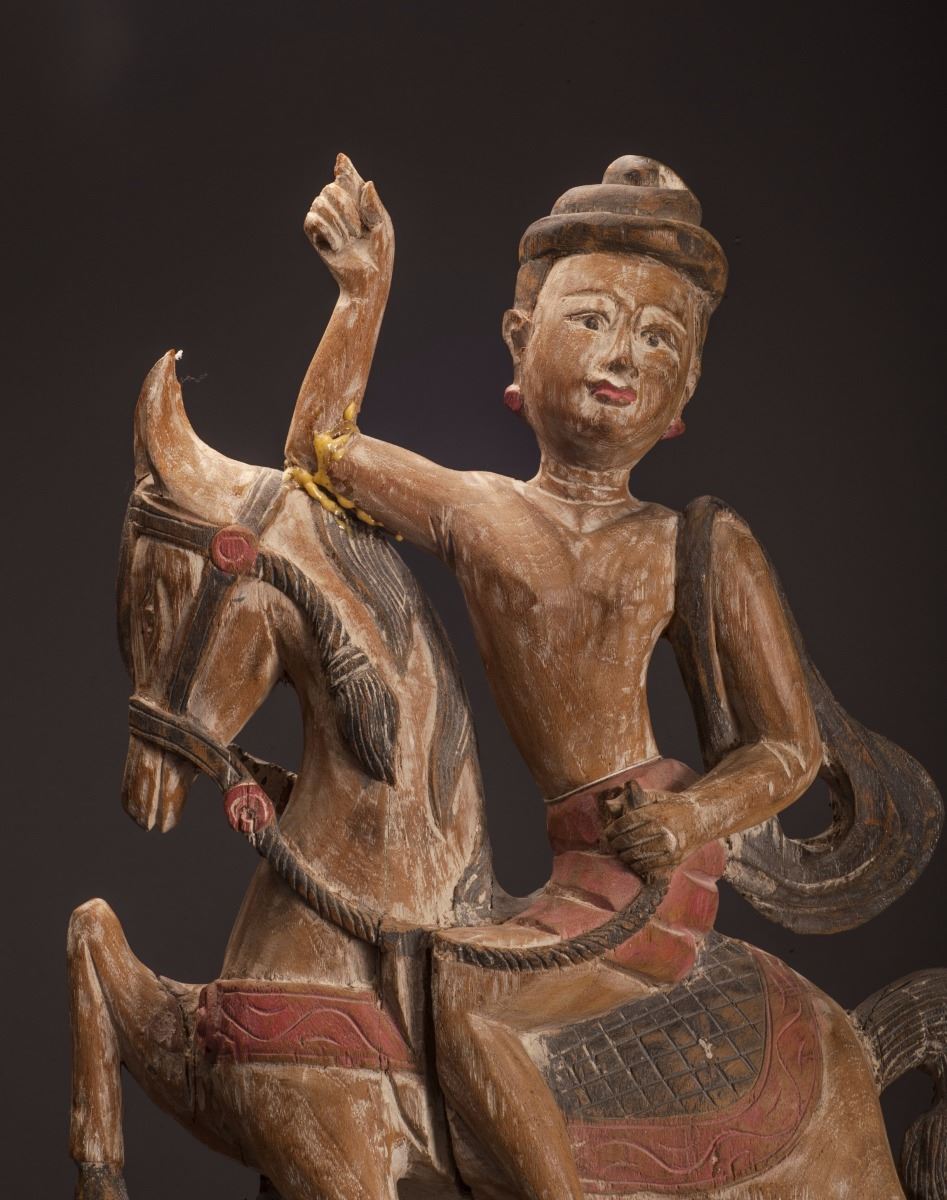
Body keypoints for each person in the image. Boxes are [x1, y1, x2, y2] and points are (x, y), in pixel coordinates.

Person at [285, 154, 821, 1200]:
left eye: (658, 338)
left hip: (645, 865)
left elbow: (787, 747)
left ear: (683, 392)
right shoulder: (480, 514)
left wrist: (689, 816)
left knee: (460, 992)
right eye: (590, 320)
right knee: (392, 962)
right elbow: (319, 449)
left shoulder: (689, 546)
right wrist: (362, 293)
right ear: (518, 342)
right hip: (572, 867)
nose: (622, 355)